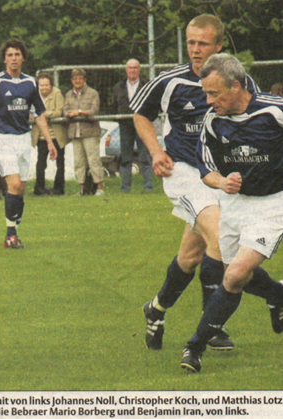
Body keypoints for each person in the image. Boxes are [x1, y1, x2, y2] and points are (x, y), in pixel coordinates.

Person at [132, 14, 258, 352]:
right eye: (190, 42)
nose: (195, 49)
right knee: (219, 236)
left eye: (203, 43)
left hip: (221, 176)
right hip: (184, 172)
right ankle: (212, 326)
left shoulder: (240, 81)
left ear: (219, 46)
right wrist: (156, 152)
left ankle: (156, 309)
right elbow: (141, 114)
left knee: (191, 256)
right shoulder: (170, 81)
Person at [181, 53, 283, 373]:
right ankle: (278, 293)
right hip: (235, 206)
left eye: (214, 93)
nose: (209, 101)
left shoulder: (274, 111)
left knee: (236, 274)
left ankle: (194, 346)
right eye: (205, 94)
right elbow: (205, 170)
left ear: (236, 86)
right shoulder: (213, 121)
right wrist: (223, 182)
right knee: (238, 277)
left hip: (273, 204)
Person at [0, 39, 57, 249]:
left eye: (17, 55)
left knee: (20, 188)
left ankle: (13, 229)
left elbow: (39, 114)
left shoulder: (30, 83)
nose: (14, 58)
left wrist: (49, 141)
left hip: (24, 139)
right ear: (4, 59)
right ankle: (11, 235)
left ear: (23, 58)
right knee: (13, 184)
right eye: (10, 55)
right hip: (2, 138)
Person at [111, 59, 152, 192]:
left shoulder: (147, 85)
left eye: (135, 68)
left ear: (139, 69)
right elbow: (113, 105)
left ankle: (148, 187)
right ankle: (125, 188)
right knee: (126, 157)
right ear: (126, 70)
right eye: (130, 68)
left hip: (143, 124)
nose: (133, 70)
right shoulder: (118, 86)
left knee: (145, 156)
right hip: (125, 125)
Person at [63, 68, 103, 196]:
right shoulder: (69, 94)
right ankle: (82, 189)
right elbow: (64, 110)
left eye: (80, 78)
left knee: (94, 160)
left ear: (85, 80)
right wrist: (69, 113)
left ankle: (99, 188)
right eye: (75, 78)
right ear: (71, 80)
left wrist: (80, 112)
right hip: (75, 132)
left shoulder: (93, 93)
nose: (77, 81)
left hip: (90, 132)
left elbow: (94, 111)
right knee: (79, 162)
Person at [32, 72, 67, 196]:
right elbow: (30, 114)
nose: (44, 88)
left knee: (60, 163)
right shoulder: (34, 95)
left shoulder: (57, 94)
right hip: (41, 136)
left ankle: (59, 189)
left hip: (57, 135)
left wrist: (43, 115)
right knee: (41, 163)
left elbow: (59, 111)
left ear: (51, 85)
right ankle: (39, 189)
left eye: (47, 85)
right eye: (41, 85)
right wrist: (40, 116)